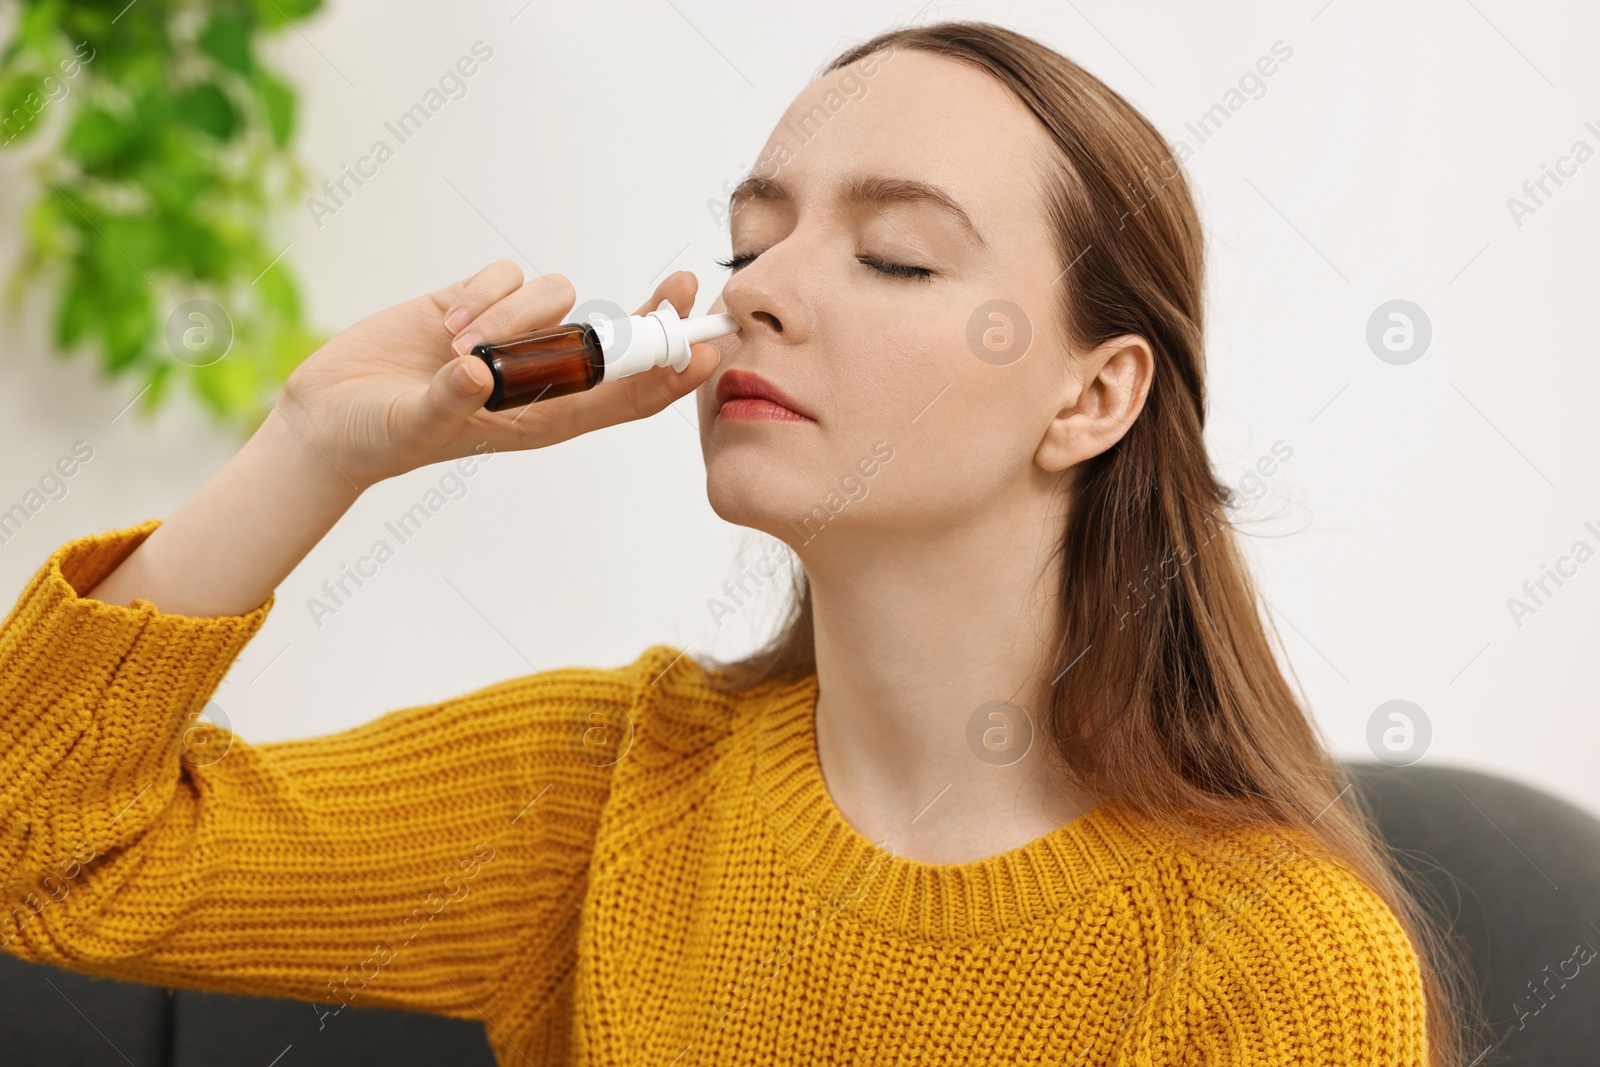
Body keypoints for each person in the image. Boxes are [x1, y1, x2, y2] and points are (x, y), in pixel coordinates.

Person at [0, 20, 1474, 1066]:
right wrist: (313, 449)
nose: (759, 291)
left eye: (894, 252)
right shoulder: (607, 794)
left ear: (1093, 394)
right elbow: (44, 847)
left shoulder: (1272, 963)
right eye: (750, 239)